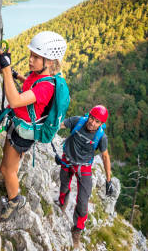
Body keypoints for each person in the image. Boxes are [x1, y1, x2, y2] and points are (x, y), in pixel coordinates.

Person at [0, 31, 67, 221]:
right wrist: (16, 75)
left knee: (7, 170)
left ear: (50, 62)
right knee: (7, 162)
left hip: (22, 133)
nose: (30, 60)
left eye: (36, 57)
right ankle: (10, 179)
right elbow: (29, 87)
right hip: (20, 127)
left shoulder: (46, 87)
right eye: (31, 55)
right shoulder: (39, 76)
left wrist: (5, 69)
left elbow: (15, 99)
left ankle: (14, 200)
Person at [56, 105, 114, 247]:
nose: (92, 123)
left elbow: (105, 158)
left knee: (83, 202)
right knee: (64, 185)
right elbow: (59, 125)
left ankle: (77, 231)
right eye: (92, 118)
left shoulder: (101, 137)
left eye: (97, 121)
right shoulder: (78, 121)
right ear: (88, 115)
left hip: (84, 166)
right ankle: (62, 204)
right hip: (68, 159)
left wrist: (108, 180)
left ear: (101, 124)